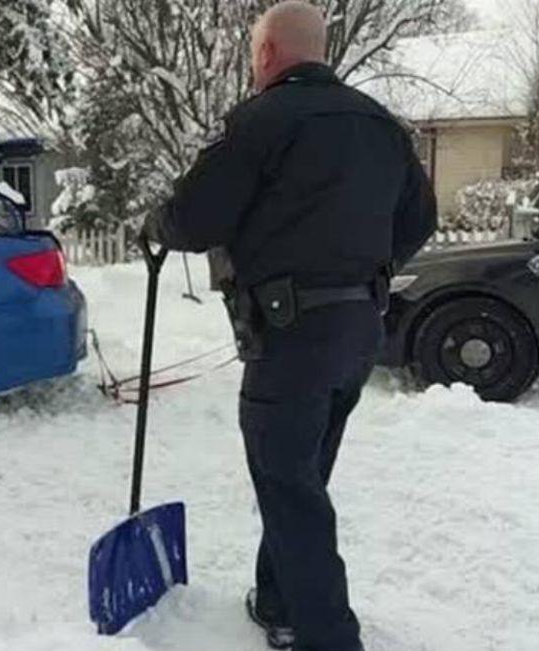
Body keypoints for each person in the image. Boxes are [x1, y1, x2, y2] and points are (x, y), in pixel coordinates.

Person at [144, 2, 438, 650]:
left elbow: (195, 217)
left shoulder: (262, 120)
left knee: (288, 480)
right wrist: (362, 268)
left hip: (290, 335)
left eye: (255, 56)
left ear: (269, 53)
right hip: (359, 329)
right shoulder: (380, 126)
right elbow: (420, 220)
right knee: (300, 474)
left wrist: (156, 222)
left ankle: (327, 635)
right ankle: (279, 599)